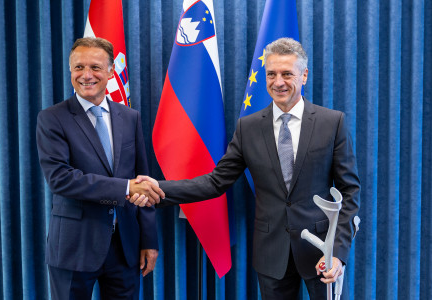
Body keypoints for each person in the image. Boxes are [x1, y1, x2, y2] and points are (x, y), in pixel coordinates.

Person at [132, 38, 360, 299]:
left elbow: (349, 193)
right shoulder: (248, 127)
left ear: (304, 75)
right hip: (271, 254)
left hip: (322, 254)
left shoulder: (332, 123)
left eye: (287, 74)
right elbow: (215, 183)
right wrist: (157, 189)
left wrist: (338, 254)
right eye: (271, 74)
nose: (278, 82)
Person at [36, 37, 165, 300]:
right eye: (78, 67)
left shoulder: (130, 117)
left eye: (95, 67)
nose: (86, 75)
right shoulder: (52, 118)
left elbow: (143, 178)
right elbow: (61, 179)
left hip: (125, 246)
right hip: (74, 247)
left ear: (110, 72)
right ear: (70, 71)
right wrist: (126, 188)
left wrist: (149, 240)